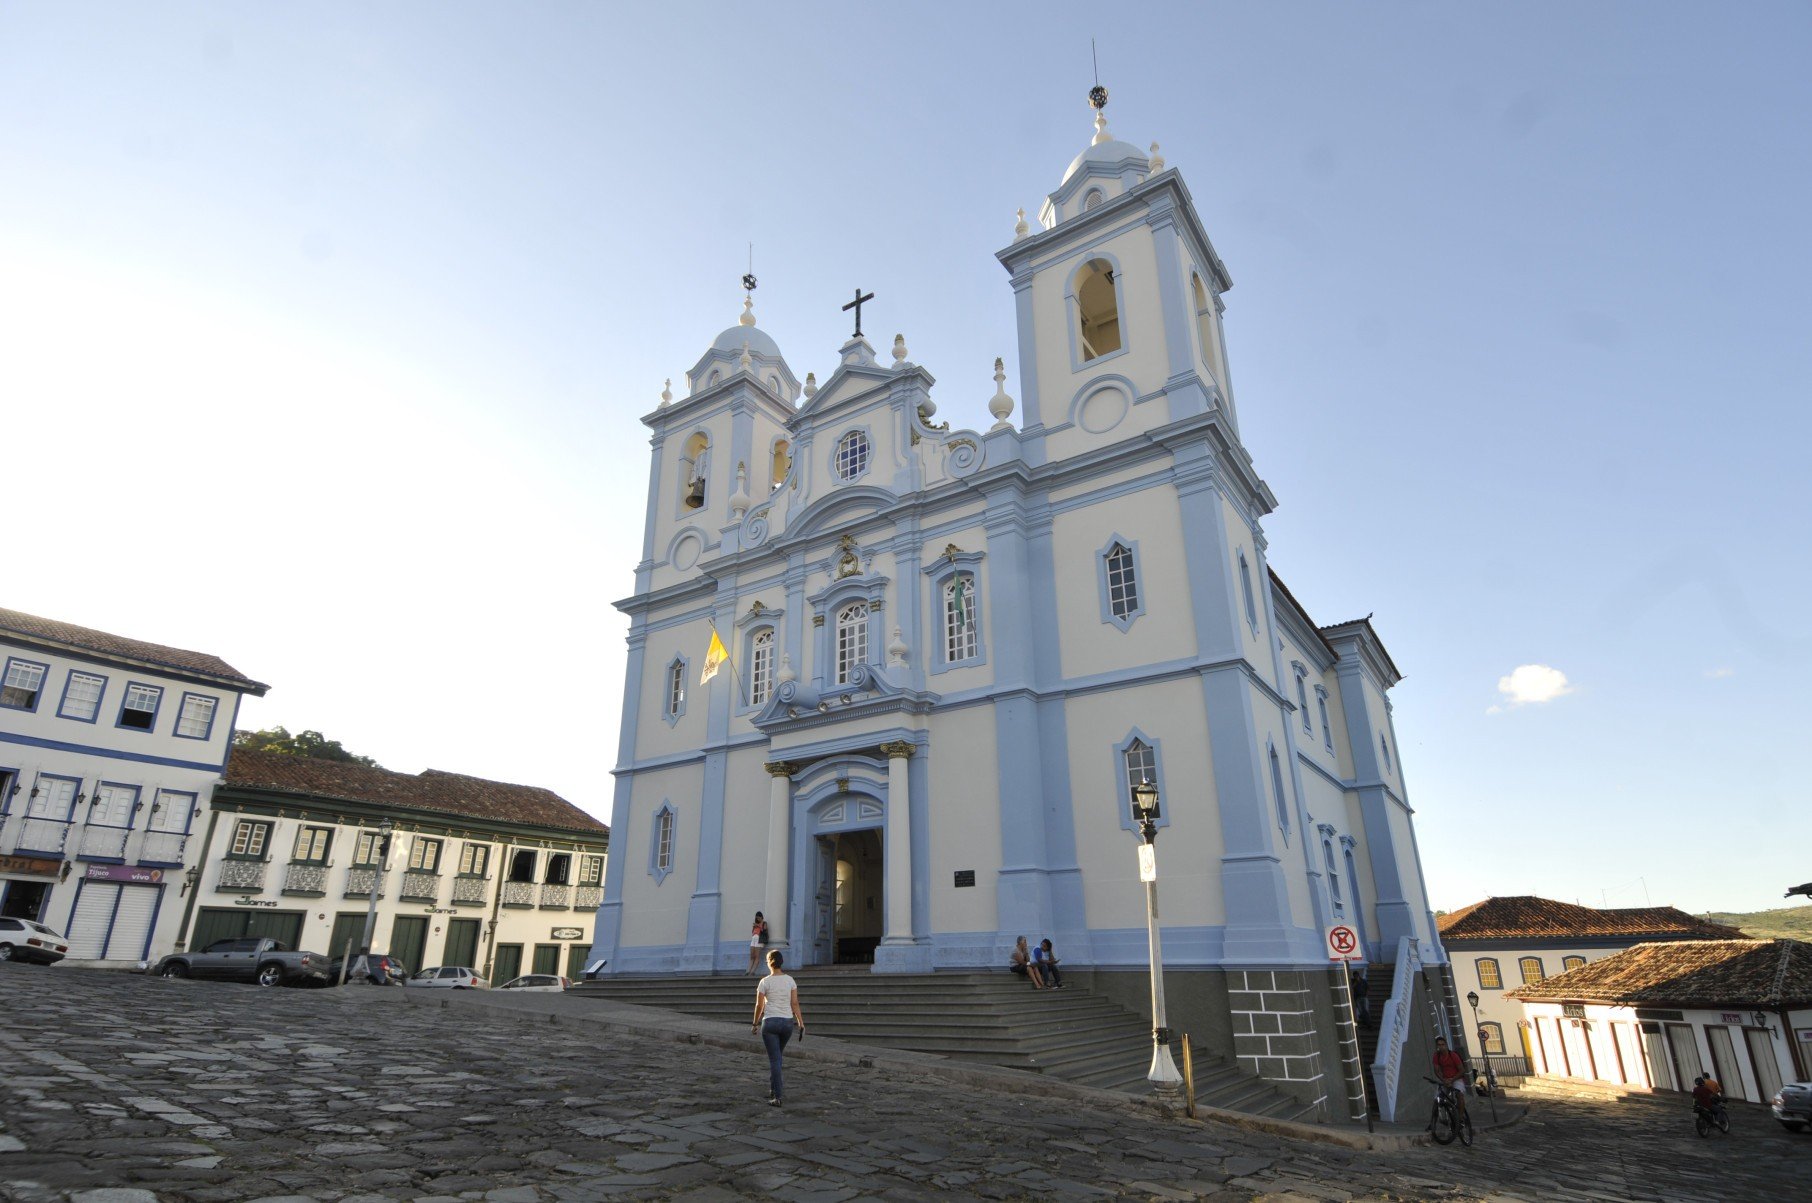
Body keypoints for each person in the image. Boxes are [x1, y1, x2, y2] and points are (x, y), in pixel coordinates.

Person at [751, 949, 804, 1105]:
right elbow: (794, 1003)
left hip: (770, 1023)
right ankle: (773, 1088)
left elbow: (759, 1006)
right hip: (787, 1023)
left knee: (774, 1059)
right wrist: (801, 1022)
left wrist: (755, 1023)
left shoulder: (765, 981)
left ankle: (777, 1096)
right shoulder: (790, 980)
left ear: (769, 962)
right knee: (778, 1056)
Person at [1432, 1036, 1469, 1122]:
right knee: (1437, 1098)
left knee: (1459, 1095)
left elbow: (1462, 1070)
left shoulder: (1453, 1055)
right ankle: (1434, 1122)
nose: (1441, 1047)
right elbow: (1436, 1071)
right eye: (1439, 1045)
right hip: (1445, 1079)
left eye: (1443, 1044)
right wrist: (1443, 1080)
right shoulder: (1436, 1056)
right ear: (1437, 1046)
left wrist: (1452, 1079)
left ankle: (1460, 1117)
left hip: (1456, 1078)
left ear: (1446, 1045)